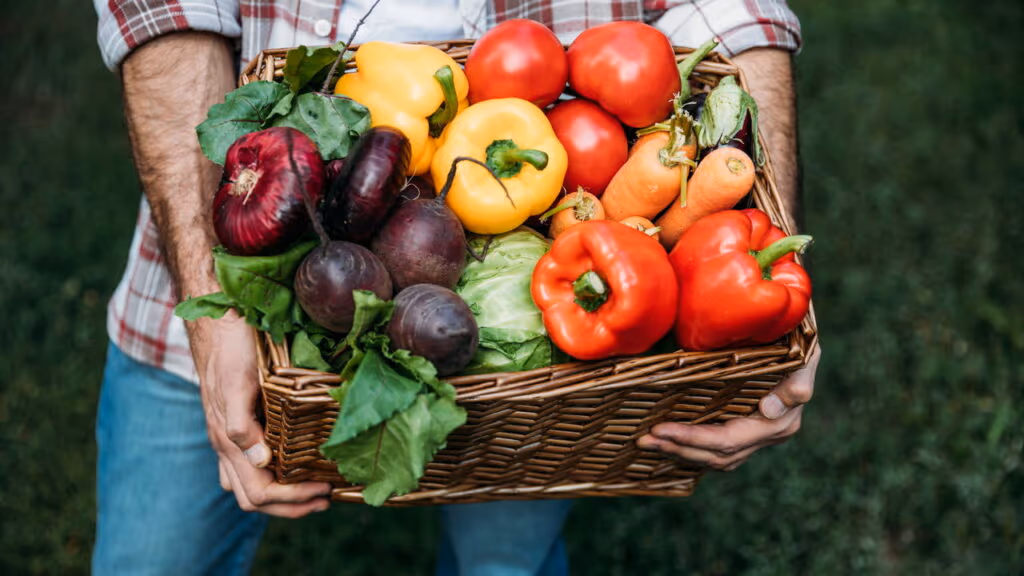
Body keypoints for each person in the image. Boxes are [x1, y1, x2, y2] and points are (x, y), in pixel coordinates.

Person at [91, 1, 816, 574]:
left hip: (555, 378)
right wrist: (213, 315)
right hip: (221, 263)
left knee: (507, 565)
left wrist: (776, 318)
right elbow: (165, 11)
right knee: (151, 560)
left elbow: (734, 12)